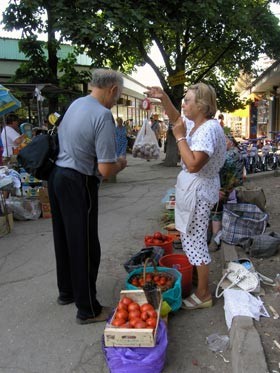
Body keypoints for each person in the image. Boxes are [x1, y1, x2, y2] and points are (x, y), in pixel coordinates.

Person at [48, 68, 127, 325]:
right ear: (112, 89)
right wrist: (121, 164)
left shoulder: (76, 104)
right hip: (79, 181)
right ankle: (88, 308)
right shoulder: (103, 115)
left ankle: (67, 291)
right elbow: (105, 169)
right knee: (85, 244)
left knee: (64, 238)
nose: (117, 101)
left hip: (57, 176)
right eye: (119, 95)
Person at [145, 83, 226, 310]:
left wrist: (179, 138)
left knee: (195, 240)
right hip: (197, 189)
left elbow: (192, 164)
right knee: (191, 236)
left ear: (201, 105)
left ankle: (203, 293)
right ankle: (198, 282)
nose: (184, 104)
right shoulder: (197, 123)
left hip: (199, 190)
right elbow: (176, 119)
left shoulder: (208, 129)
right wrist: (163, 98)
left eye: (188, 100)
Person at [209, 134, 244, 251]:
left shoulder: (232, 154)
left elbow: (219, 165)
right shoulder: (233, 152)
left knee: (216, 208)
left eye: (225, 141)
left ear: (231, 142)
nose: (222, 144)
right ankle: (215, 235)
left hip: (228, 188)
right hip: (229, 186)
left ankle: (215, 238)